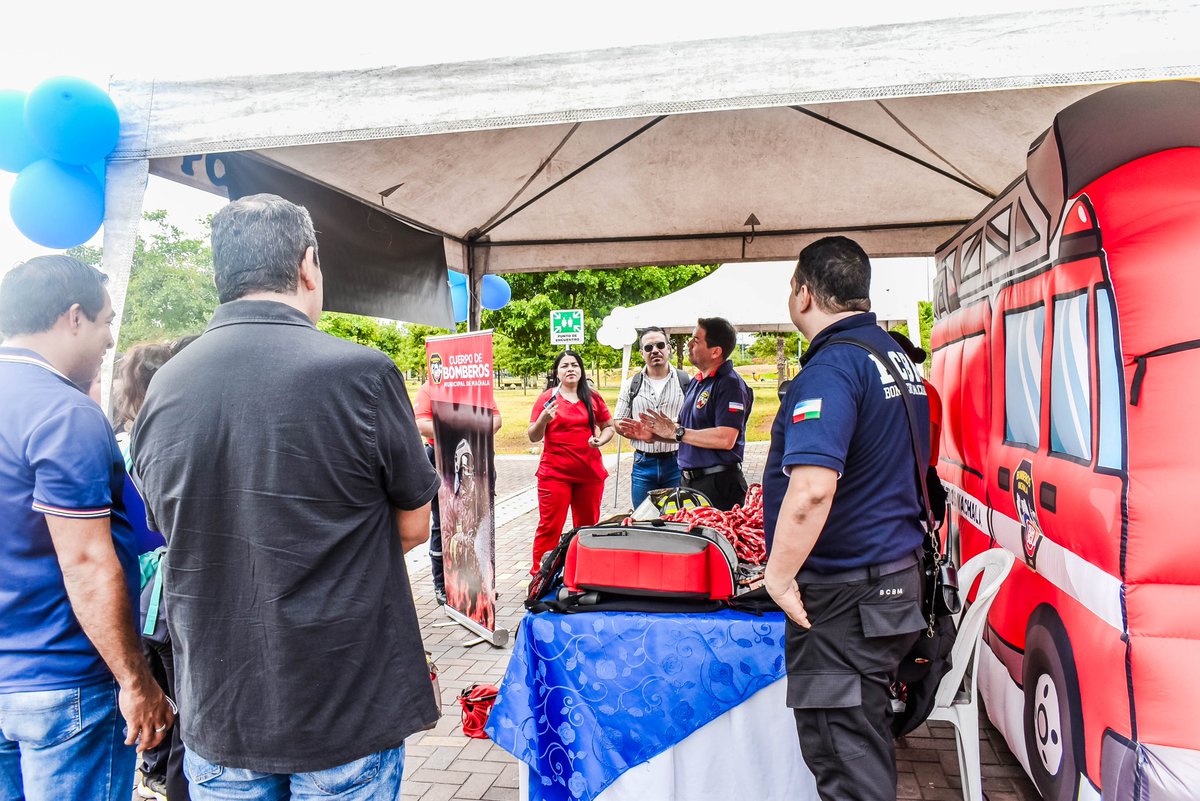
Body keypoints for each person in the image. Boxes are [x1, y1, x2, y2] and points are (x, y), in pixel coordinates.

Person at [131, 193, 440, 798]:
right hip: (343, 701)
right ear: (308, 265)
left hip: (219, 708)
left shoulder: (164, 387)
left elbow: (170, 525)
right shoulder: (361, 373)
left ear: (222, 276)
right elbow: (413, 527)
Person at [762, 236, 930, 801]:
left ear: (804, 294)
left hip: (845, 599)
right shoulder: (895, 357)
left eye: (792, 288)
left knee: (846, 762)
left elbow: (810, 489)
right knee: (860, 745)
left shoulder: (832, 367)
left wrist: (778, 576)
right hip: (891, 581)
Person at [0, 255, 173, 801]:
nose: (107, 340)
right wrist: (135, 680)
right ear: (73, 317)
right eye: (104, 322)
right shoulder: (63, 412)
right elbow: (87, 562)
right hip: (64, 683)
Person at [115, 340, 195, 801]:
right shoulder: (167, 441)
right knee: (187, 714)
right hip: (170, 601)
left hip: (138, 602)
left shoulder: (124, 443)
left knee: (161, 703)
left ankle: (154, 774)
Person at [633, 316, 753, 511]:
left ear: (715, 351)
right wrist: (655, 435)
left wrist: (677, 432)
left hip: (719, 485)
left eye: (696, 340)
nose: (689, 344)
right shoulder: (697, 382)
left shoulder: (730, 384)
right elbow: (686, 431)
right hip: (690, 482)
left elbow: (726, 438)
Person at [412, 378, 502, 606]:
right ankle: (442, 585)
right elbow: (422, 424)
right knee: (444, 525)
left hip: (477, 457)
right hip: (441, 460)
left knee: (480, 523)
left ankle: (480, 583)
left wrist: (452, 427)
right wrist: (466, 427)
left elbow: (496, 420)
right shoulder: (429, 388)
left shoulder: (477, 386)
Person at [527, 350, 614, 575]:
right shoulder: (547, 399)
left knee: (586, 527)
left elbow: (609, 426)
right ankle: (540, 575)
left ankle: (585, 573)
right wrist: (543, 420)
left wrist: (600, 441)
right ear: (557, 372)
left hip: (589, 473)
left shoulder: (593, 397)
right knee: (550, 527)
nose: (570, 369)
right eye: (564, 366)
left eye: (574, 364)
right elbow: (533, 436)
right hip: (555, 475)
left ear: (581, 369)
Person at [612, 326, 690, 508]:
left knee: (678, 520)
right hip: (643, 463)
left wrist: (671, 428)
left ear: (668, 348)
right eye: (648, 347)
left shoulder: (685, 381)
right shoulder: (631, 385)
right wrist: (634, 432)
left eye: (660, 345)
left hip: (677, 461)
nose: (655, 350)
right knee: (644, 519)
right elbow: (618, 421)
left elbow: (696, 423)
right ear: (641, 353)